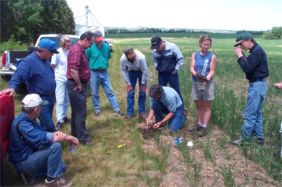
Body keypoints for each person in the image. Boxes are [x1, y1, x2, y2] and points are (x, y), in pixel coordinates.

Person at [9, 93, 79, 187]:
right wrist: (69, 137)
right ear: (36, 110)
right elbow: (43, 138)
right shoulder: (23, 124)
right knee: (55, 147)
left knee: (61, 167)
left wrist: (56, 134)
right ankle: (51, 181)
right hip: (23, 161)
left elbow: (43, 135)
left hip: (30, 153)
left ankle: (33, 175)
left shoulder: (29, 118)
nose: (42, 109)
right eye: (41, 107)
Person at [3, 39, 57, 132]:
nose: (53, 55)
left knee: (45, 124)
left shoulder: (45, 60)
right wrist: (12, 87)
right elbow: (18, 74)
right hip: (40, 99)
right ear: (45, 51)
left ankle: (43, 142)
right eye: (52, 52)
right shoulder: (28, 62)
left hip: (50, 97)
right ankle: (52, 143)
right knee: (49, 126)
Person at [232, 32, 269, 145]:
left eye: (241, 44)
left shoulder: (257, 51)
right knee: (257, 113)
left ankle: (245, 139)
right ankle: (259, 138)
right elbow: (250, 67)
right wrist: (243, 56)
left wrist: (240, 56)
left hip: (257, 86)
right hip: (260, 85)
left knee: (250, 114)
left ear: (249, 40)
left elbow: (248, 69)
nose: (240, 47)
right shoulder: (256, 51)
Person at [85, 30, 124, 116]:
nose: (100, 41)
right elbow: (86, 59)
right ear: (94, 39)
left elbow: (108, 57)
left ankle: (116, 109)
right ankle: (97, 109)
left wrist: (103, 64)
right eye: (98, 40)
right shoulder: (90, 48)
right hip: (94, 73)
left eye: (101, 39)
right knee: (94, 92)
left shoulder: (106, 47)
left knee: (110, 91)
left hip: (104, 72)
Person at [67, 31, 94, 145]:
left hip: (76, 83)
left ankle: (75, 134)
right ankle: (83, 138)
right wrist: (78, 84)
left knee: (76, 111)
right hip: (75, 84)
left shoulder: (78, 49)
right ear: (85, 40)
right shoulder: (77, 50)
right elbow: (73, 70)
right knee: (81, 112)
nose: (90, 46)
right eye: (90, 43)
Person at [189, 35, 217, 137]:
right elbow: (191, 68)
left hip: (208, 83)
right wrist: (196, 75)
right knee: (198, 105)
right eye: (204, 44)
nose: (206, 46)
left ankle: (204, 126)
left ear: (210, 45)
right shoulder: (195, 54)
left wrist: (207, 78)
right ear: (200, 44)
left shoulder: (212, 56)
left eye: (208, 45)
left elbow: (212, 70)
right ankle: (199, 124)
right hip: (196, 82)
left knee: (207, 106)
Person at [150, 36, 185, 102]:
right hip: (161, 74)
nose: (156, 49)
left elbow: (181, 59)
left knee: (176, 91)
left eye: (157, 47)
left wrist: (176, 69)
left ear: (161, 43)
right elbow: (155, 61)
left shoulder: (172, 47)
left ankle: (181, 109)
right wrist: (156, 67)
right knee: (160, 92)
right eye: (155, 47)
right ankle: (164, 109)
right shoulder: (154, 50)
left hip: (172, 74)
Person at [120, 47, 149, 120]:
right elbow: (123, 71)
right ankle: (130, 112)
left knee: (142, 92)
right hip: (131, 72)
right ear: (127, 57)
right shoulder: (123, 59)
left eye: (134, 56)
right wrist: (128, 84)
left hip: (141, 72)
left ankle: (142, 111)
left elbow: (145, 71)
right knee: (130, 92)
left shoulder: (141, 57)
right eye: (131, 57)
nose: (133, 58)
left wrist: (143, 83)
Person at [51, 36, 71, 130]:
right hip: (60, 78)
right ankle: (59, 120)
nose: (69, 42)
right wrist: (57, 75)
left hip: (69, 78)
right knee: (60, 99)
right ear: (63, 42)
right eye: (67, 41)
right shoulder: (58, 52)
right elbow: (53, 65)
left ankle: (64, 116)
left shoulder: (70, 51)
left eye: (70, 41)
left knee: (67, 99)